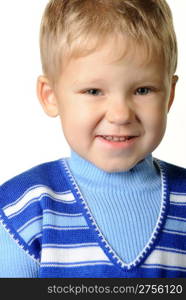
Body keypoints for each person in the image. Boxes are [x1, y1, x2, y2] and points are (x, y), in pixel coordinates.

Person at [0, 0, 185, 278]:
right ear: (51, 96)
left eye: (143, 90)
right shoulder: (24, 210)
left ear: (169, 95)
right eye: (94, 91)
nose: (121, 114)